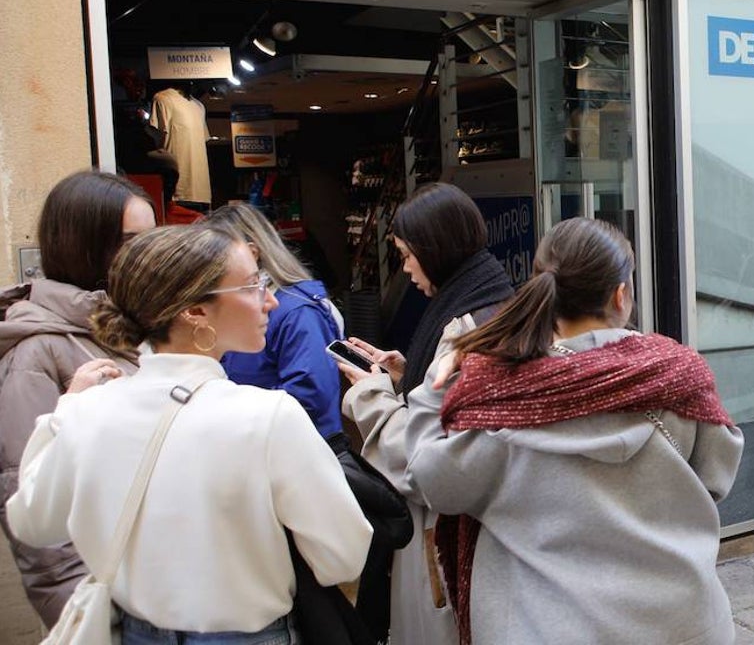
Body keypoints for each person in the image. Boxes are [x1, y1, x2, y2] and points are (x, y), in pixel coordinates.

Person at [5, 224, 372, 642]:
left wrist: (63, 411)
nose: (270, 300)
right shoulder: (267, 417)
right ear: (194, 311)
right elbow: (343, 557)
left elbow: (33, 523)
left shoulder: (89, 411)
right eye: (254, 285)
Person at [404, 216, 744, 644]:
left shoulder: (502, 400)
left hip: (543, 629)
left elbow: (430, 479)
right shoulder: (677, 376)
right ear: (621, 295)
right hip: (685, 625)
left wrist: (437, 384)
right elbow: (717, 478)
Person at [339, 182, 514, 645]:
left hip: (448, 544)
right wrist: (406, 378)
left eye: (406, 254)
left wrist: (372, 396)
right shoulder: (494, 304)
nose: (406, 267)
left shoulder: (466, 332)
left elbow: (423, 460)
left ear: (434, 249)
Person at [0, 169, 156, 627]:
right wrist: (91, 618)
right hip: (114, 609)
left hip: (163, 596)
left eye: (150, 240)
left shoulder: (134, 326)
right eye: (130, 242)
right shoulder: (38, 349)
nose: (144, 256)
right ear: (84, 244)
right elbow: (27, 498)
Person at [207, 203, 343, 439]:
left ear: (252, 253)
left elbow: (310, 395)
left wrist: (225, 410)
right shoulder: (235, 305)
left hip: (296, 454)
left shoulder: (298, 312)